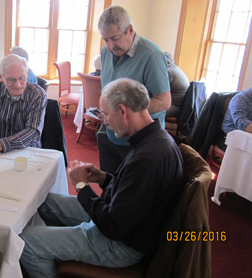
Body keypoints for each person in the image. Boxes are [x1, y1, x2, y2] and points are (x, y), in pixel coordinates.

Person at [19, 79, 184, 277]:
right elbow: (134, 194)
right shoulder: (154, 138)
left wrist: (81, 185)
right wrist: (104, 178)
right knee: (43, 200)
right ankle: (59, 248)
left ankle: (51, 249)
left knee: (25, 241)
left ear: (123, 111)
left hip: (123, 245)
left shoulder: (147, 159)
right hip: (123, 223)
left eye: (105, 113)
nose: (104, 120)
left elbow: (112, 227)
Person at [97, 5, 171, 174]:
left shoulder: (151, 55)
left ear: (130, 30)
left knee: (130, 190)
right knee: (109, 185)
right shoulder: (106, 52)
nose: (110, 46)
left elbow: (164, 102)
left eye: (114, 38)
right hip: (110, 131)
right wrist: (109, 112)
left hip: (137, 139)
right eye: (105, 40)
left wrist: (127, 112)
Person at [0, 54, 47, 160]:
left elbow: (33, 131)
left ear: (27, 73)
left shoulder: (37, 94)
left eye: (21, 78)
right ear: (1, 77)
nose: (17, 85)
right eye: (11, 80)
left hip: (27, 153)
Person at [164, 52, 190, 117]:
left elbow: (158, 90)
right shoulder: (175, 68)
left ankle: (154, 127)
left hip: (176, 107)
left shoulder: (169, 72)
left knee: (151, 111)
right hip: (181, 106)